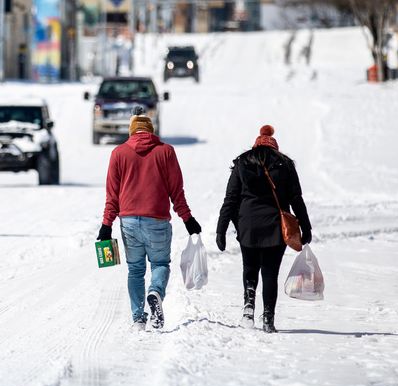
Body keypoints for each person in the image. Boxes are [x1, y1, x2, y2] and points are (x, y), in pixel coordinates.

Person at [97, 107, 201, 330]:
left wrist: (106, 225)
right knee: (160, 263)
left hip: (129, 222)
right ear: (151, 131)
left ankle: (138, 319)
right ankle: (155, 292)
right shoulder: (166, 152)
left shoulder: (118, 153)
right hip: (157, 221)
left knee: (135, 270)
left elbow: (112, 195)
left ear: (131, 131)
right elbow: (177, 191)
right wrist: (188, 219)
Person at [216, 125, 311, 333]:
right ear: (274, 147)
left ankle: (248, 310)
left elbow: (231, 199)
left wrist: (221, 229)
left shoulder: (242, 163)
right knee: (270, 273)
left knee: (250, 268)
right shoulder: (285, 165)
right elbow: (296, 198)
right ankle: (268, 318)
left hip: (248, 226)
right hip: (275, 227)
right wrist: (306, 226)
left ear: (256, 145)